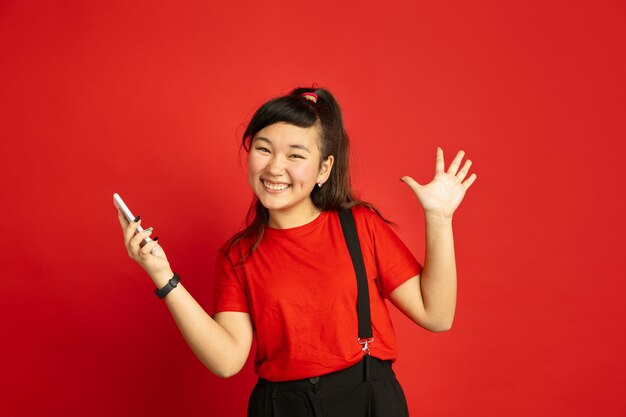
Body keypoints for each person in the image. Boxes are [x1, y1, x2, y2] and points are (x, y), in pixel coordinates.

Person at [116, 87, 477, 417]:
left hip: (367, 401)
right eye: (263, 148)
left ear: (324, 169)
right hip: (280, 406)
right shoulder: (237, 255)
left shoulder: (360, 227)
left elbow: (437, 315)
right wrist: (163, 276)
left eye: (295, 155)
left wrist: (439, 219)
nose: (275, 167)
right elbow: (226, 361)